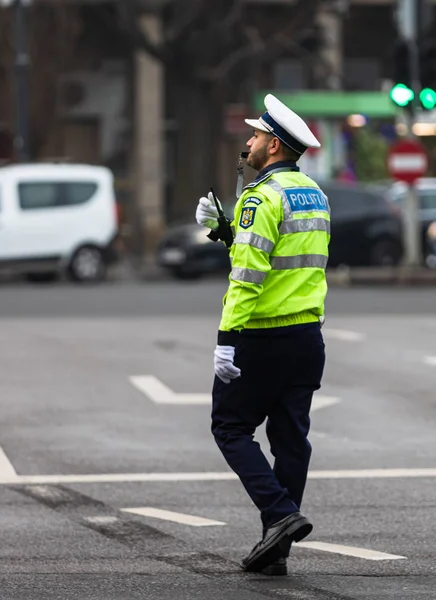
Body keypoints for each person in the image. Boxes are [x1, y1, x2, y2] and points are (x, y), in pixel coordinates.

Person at [195, 94, 330, 576]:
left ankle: (280, 514)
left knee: (229, 428)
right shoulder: (314, 193)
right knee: (291, 441)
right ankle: (277, 550)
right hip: (306, 338)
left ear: (272, 145)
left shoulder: (260, 196)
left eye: (254, 136)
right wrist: (225, 234)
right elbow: (284, 262)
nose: (248, 142)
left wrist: (226, 338)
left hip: (262, 338)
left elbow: (249, 276)